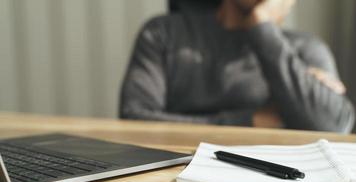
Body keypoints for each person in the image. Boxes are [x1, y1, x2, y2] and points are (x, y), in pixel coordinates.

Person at [119, 0, 355, 133]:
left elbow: (335, 128)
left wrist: (262, 26)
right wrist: (249, 120)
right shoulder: (163, 34)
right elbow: (134, 119)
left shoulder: (305, 48)